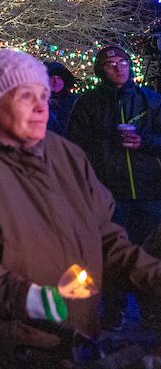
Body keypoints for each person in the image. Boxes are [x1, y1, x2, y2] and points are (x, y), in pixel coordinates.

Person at [0, 49, 161, 368]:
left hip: (66, 342)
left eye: (43, 94)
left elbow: (105, 239)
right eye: (24, 96)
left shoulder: (65, 156)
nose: (40, 105)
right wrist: (28, 298)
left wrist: (154, 275)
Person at [66, 44, 161, 331]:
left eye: (123, 62)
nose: (119, 68)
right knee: (111, 254)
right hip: (109, 193)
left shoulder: (150, 100)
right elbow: (76, 147)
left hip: (148, 191)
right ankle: (114, 310)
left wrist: (144, 142)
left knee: (150, 254)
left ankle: (150, 312)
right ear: (101, 70)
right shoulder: (88, 103)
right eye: (111, 64)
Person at [45, 60, 78, 135]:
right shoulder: (37, 103)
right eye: (52, 78)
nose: (55, 81)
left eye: (59, 78)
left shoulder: (75, 102)